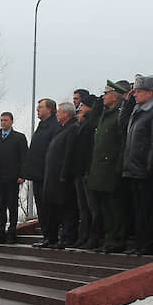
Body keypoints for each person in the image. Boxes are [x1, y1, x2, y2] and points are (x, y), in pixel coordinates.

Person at [120, 76, 153, 254]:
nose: (135, 94)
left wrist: (150, 165)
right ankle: (140, 243)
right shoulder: (136, 110)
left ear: (150, 92)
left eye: (138, 91)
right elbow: (121, 124)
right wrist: (128, 102)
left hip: (145, 168)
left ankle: (149, 243)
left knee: (148, 208)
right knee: (138, 209)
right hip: (132, 167)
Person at [89, 80, 129, 253]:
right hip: (100, 169)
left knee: (115, 208)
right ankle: (109, 240)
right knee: (105, 208)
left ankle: (117, 240)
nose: (103, 97)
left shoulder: (119, 115)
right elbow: (91, 124)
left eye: (106, 94)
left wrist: (119, 166)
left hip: (112, 168)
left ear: (115, 95)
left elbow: (122, 143)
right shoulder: (105, 115)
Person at [36, 103, 79, 248]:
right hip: (52, 176)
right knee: (54, 208)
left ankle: (67, 237)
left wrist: (64, 173)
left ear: (67, 114)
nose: (57, 114)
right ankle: (52, 237)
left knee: (67, 209)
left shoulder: (72, 128)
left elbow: (69, 153)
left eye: (59, 111)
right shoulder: (61, 128)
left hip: (62, 177)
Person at [0, 112, 27, 243]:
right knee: (0, 207)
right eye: (1, 120)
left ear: (11, 122)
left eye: (6, 120)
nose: (3, 123)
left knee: (12, 206)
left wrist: (22, 175)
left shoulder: (19, 138)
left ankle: (12, 233)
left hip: (13, 179)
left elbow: (24, 158)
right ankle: (0, 234)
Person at [22, 99, 58, 242]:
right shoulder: (41, 126)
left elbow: (52, 151)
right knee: (41, 207)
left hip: (47, 175)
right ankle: (46, 235)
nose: (37, 109)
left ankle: (51, 236)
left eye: (40, 107)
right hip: (37, 174)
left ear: (49, 109)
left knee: (48, 207)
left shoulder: (54, 126)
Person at [72, 94, 101, 249]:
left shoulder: (91, 125)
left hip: (89, 172)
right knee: (83, 208)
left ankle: (93, 238)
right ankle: (83, 237)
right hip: (80, 172)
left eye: (82, 106)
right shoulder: (81, 126)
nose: (79, 109)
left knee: (93, 208)